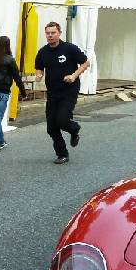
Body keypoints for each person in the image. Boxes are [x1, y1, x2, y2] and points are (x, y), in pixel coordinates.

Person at [35, 22, 90, 164]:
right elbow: (39, 67)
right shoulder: (42, 52)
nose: (50, 36)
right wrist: (39, 75)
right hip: (53, 93)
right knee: (51, 128)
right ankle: (62, 154)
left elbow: (86, 63)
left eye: (53, 33)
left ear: (59, 33)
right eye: (48, 33)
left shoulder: (69, 48)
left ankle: (74, 129)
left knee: (62, 120)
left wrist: (74, 75)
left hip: (68, 91)